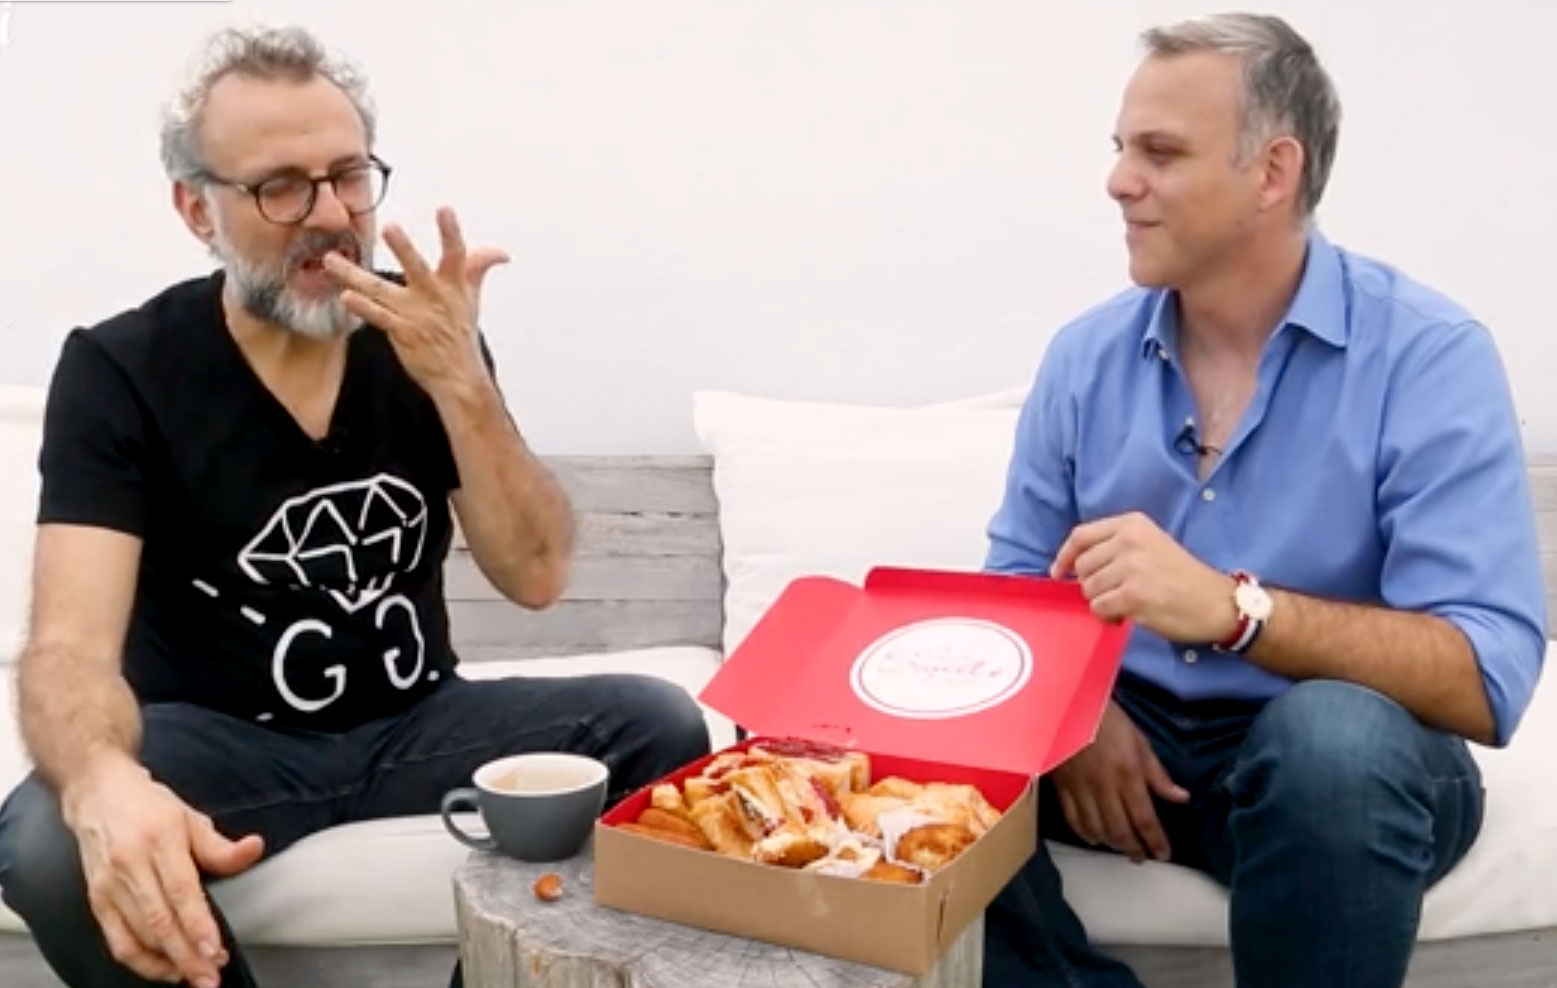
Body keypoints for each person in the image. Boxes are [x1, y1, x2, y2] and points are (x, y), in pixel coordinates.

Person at [0, 24, 711, 988]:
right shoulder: (121, 368)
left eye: (348, 175)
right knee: (43, 838)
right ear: (196, 210)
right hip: (218, 741)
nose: (329, 215)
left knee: (658, 726)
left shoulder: (420, 333)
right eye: (279, 186)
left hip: (421, 721)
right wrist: (99, 780)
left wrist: (461, 382)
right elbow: (68, 652)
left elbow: (536, 575)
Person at [981, 12, 1546, 988]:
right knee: (913, 723)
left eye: (1159, 152)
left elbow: (1486, 670)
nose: (1119, 179)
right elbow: (1011, 598)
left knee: (1329, 740)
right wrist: (1075, 715)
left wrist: (1238, 611)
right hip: (1133, 737)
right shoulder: (1083, 356)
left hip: (1343, 765)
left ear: (1273, 172)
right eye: (1121, 149)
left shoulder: (1428, 355)